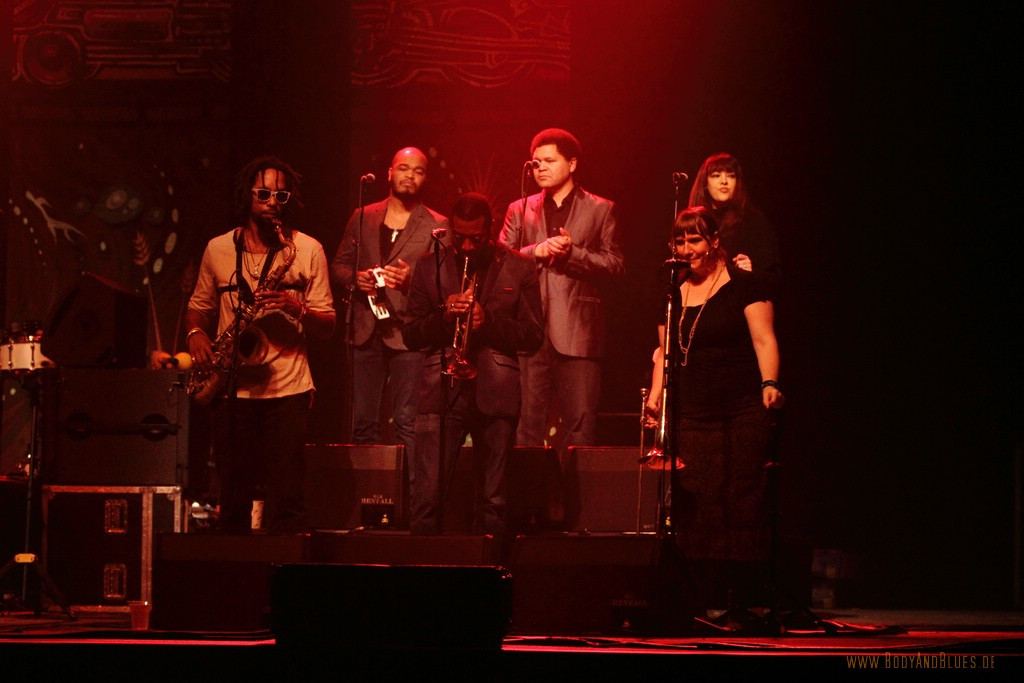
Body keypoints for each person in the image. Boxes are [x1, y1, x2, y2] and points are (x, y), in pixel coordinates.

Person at [186, 155, 336, 533]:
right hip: (233, 388)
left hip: (289, 388)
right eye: (264, 194)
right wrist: (196, 334)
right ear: (246, 195)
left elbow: (328, 325)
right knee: (233, 496)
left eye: (281, 196)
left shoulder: (307, 249)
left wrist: (296, 307)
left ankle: (286, 566)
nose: (273, 202)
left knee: (288, 498)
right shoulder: (218, 248)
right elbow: (198, 307)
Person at [645, 206, 784, 613]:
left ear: (714, 241)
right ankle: (707, 598)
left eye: (695, 240)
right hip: (693, 411)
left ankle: (745, 597)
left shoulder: (745, 284)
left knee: (741, 497)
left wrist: (770, 383)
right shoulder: (672, 293)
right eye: (680, 242)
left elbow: (764, 339)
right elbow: (665, 353)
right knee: (699, 502)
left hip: (742, 407)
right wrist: (657, 397)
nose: (687, 249)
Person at [403, 192, 543, 539]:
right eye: (459, 237)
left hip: (496, 391)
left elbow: (533, 335)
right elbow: (411, 334)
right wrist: (444, 315)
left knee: (494, 501)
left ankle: (489, 566)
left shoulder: (520, 266)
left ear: (491, 230)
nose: (466, 247)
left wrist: (488, 322)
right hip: (440, 388)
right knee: (427, 498)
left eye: (476, 239)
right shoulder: (428, 265)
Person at [499, 128, 624, 507]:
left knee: (580, 425)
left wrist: (573, 253)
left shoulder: (601, 208)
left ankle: (576, 511)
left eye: (549, 161)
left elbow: (615, 265)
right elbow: (499, 260)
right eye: (536, 162)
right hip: (530, 331)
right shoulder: (519, 208)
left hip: (578, 330)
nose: (541, 167)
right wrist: (535, 250)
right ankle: (527, 511)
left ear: (571, 163)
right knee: (527, 425)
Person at [331, 147, 445, 502]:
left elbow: (445, 283)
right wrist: (356, 279)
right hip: (364, 328)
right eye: (404, 168)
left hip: (408, 333)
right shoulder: (363, 215)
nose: (410, 175)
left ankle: (409, 504)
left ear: (426, 178)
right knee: (363, 422)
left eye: (418, 171)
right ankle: (365, 502)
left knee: (407, 422)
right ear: (390, 172)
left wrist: (413, 282)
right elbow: (339, 266)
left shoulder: (437, 225)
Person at [688, 152, 781, 295]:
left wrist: (752, 270)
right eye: (716, 175)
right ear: (705, 183)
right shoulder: (695, 221)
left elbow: (774, 276)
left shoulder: (754, 222)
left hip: (738, 298)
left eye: (731, 175)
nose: (724, 181)